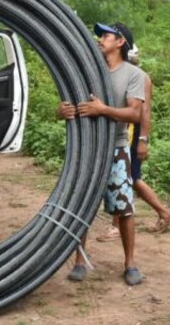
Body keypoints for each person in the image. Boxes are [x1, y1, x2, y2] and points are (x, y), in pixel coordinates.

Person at [58, 22, 145, 286]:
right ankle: (79, 261)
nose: (100, 39)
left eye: (105, 35)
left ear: (120, 42)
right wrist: (61, 111)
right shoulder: (88, 71)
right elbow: (70, 105)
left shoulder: (133, 74)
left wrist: (102, 110)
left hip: (117, 147)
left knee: (124, 208)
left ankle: (130, 264)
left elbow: (135, 114)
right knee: (81, 205)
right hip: (87, 149)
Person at [96, 44, 170, 242]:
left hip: (131, 135)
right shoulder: (117, 74)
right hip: (128, 133)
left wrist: (143, 140)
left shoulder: (138, 76)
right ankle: (157, 216)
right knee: (128, 179)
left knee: (131, 179)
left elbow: (144, 111)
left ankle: (165, 215)